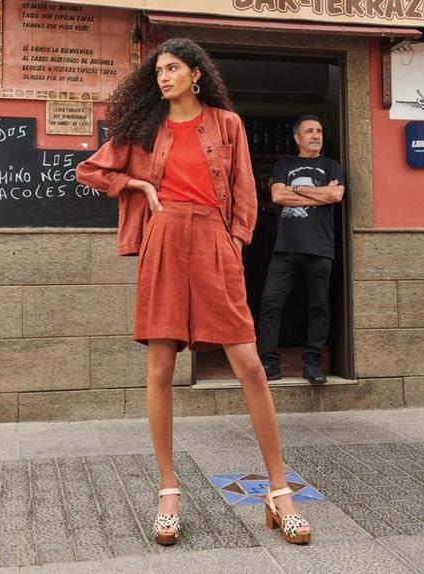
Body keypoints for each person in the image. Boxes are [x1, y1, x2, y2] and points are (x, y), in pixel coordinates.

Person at [75, 38, 310, 546]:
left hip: (213, 240)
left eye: (173, 68)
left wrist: (235, 242)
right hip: (162, 238)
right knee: (160, 367)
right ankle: (168, 490)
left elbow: (245, 188)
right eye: (158, 70)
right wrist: (137, 187)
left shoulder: (227, 124)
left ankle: (278, 488)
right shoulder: (144, 129)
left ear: (196, 73)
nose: (163, 77)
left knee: (248, 362)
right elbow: (90, 169)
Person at [257, 115, 345, 384]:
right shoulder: (286, 164)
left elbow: (336, 196)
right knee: (271, 304)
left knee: (318, 306)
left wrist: (294, 189)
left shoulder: (332, 166)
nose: (316, 135)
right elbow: (277, 196)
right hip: (285, 248)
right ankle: (270, 364)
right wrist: (317, 193)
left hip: (320, 248)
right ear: (297, 137)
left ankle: (312, 364)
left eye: (319, 131)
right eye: (309, 131)